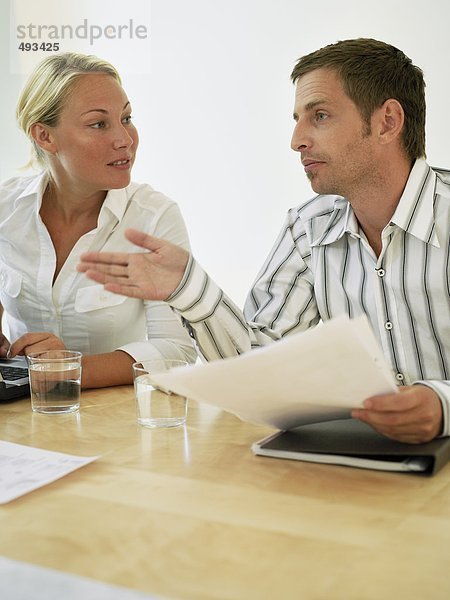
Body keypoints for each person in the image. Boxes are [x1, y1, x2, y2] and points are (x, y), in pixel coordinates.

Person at [78, 38, 450, 442]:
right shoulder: (307, 229)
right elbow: (261, 367)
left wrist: (443, 406)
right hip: (357, 470)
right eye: (297, 119)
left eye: (320, 115)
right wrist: (186, 288)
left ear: (388, 122)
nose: (296, 140)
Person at [0, 52, 196, 388]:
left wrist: (70, 370)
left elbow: (176, 351)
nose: (125, 140)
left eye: (127, 118)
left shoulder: (154, 217)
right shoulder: (6, 209)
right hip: (16, 417)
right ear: (45, 136)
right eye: (99, 124)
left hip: (110, 424)